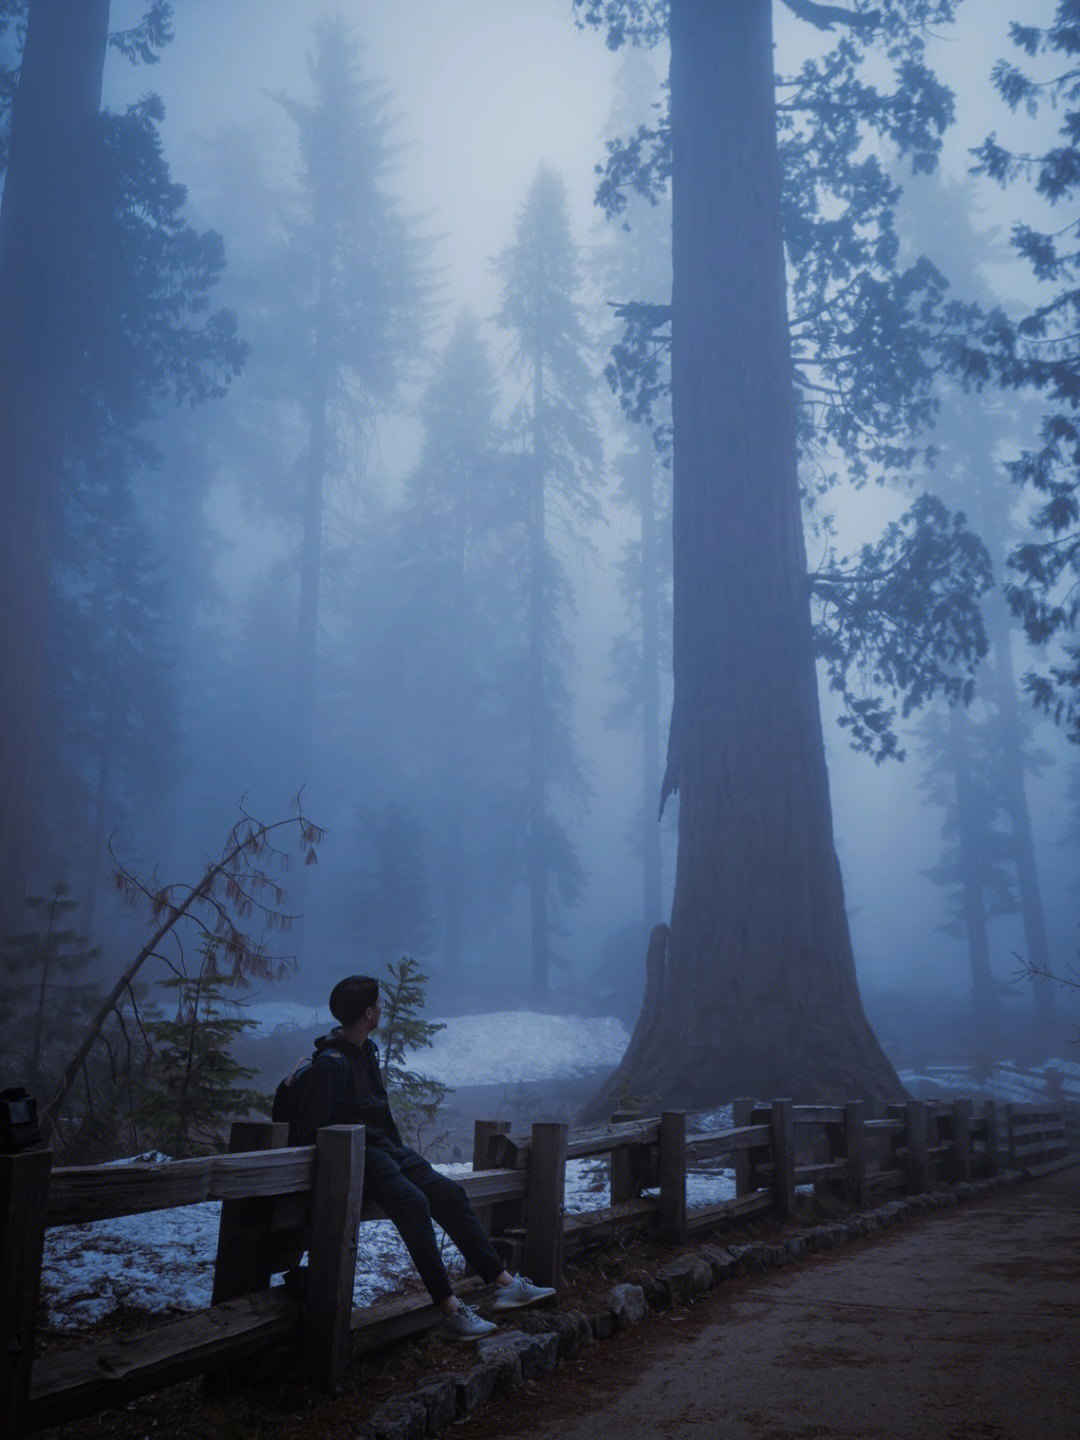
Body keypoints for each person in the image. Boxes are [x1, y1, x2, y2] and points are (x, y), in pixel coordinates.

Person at [295, 974, 556, 1341]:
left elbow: (378, 1111)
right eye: (379, 1004)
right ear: (369, 1013)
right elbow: (313, 1129)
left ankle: (505, 1284)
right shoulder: (332, 1063)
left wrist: (397, 1150)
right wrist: (362, 1151)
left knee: (450, 1194)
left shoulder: (366, 1051)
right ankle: (450, 1311)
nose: (383, 1009)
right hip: (361, 1157)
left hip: (389, 1150)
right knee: (415, 1203)